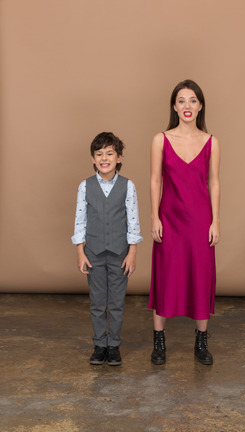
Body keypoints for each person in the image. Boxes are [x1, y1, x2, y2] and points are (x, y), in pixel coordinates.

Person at [148, 80, 221, 366]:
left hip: (201, 220)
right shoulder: (160, 140)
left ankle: (201, 342)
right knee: (166, 275)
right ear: (174, 106)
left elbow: (214, 182)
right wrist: (154, 216)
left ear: (200, 105)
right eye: (181, 100)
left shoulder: (211, 141)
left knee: (200, 276)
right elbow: (155, 180)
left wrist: (216, 220)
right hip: (170, 218)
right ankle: (159, 342)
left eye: (193, 100)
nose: (187, 106)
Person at [72, 132, 143, 366]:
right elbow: (80, 220)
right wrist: (80, 252)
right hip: (93, 253)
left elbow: (133, 222)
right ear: (93, 159)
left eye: (109, 154)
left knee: (116, 303)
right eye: (99, 154)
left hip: (119, 253)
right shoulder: (85, 186)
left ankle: (113, 346)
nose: (104, 158)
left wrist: (132, 253)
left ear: (119, 157)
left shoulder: (127, 186)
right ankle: (99, 345)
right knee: (97, 302)